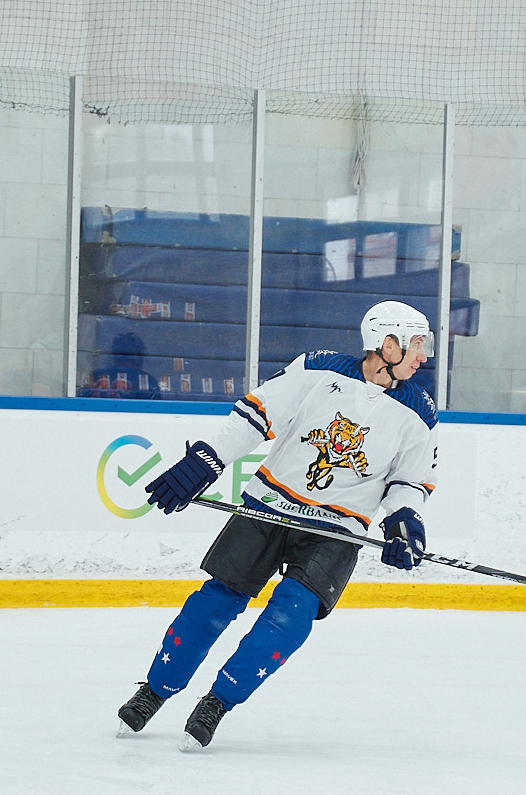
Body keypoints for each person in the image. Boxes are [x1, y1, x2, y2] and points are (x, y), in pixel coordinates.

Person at [118, 300, 439, 748]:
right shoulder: (316, 369)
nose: (425, 356)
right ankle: (156, 690)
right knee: (213, 605)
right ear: (389, 344)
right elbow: (255, 416)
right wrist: (206, 461)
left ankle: (218, 701)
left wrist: (404, 517)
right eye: (418, 344)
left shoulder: (420, 411)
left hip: (336, 532)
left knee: (290, 618)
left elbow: (410, 480)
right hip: (269, 507)